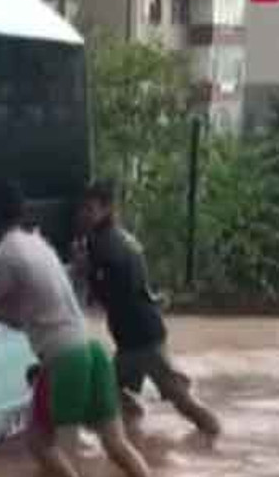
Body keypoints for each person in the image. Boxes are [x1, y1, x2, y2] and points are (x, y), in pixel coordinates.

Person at [0, 182, 150, 477]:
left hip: (65, 358)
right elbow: (24, 318)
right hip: (92, 349)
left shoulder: (3, 256)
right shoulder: (37, 242)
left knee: (56, 454)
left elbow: (5, 310)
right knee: (116, 445)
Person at [76, 180, 222, 439]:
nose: (84, 215)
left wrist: (86, 272)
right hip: (140, 334)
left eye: (90, 208)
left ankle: (213, 432)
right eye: (83, 209)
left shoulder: (104, 244)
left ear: (107, 209)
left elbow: (110, 295)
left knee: (181, 400)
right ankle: (136, 427)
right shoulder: (122, 237)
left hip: (141, 340)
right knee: (106, 390)